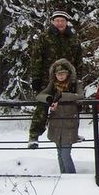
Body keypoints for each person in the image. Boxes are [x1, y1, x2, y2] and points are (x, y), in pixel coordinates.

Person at [28, 10, 83, 148]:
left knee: (71, 107)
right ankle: (34, 136)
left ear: (66, 22)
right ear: (52, 21)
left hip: (68, 80)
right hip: (48, 79)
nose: (60, 23)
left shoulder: (73, 39)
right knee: (42, 106)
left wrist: (78, 79)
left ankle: (73, 133)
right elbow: (36, 58)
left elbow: (79, 61)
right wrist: (35, 77)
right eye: (57, 20)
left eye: (62, 21)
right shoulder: (44, 37)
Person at [36, 59, 83, 173]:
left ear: (68, 73)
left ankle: (71, 177)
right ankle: (63, 176)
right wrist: (49, 99)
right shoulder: (52, 85)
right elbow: (40, 95)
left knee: (65, 154)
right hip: (56, 123)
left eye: (63, 73)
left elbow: (80, 96)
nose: (60, 76)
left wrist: (61, 97)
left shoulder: (75, 83)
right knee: (59, 154)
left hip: (69, 123)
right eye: (58, 74)